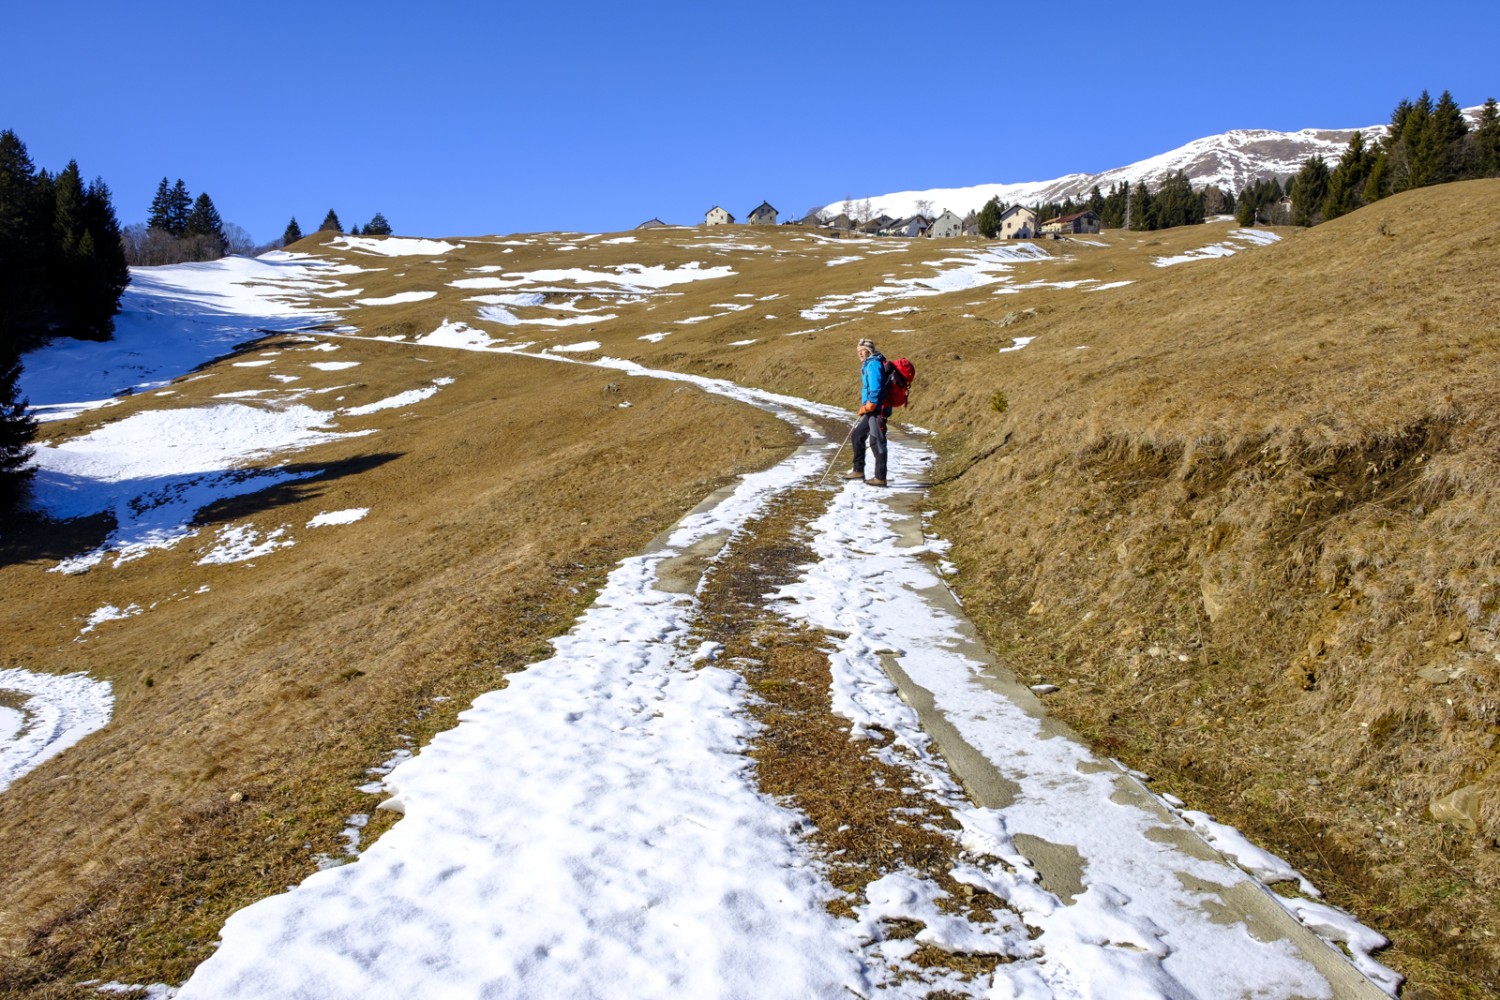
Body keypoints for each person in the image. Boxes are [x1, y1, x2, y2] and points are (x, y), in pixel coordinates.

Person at [845, 337, 890, 486]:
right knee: (858, 435)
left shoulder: (873, 365)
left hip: (877, 409)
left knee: (876, 441)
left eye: (862, 350)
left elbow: (876, 388)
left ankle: (880, 478)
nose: (860, 353)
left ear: (869, 350)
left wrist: (869, 405)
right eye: (858, 351)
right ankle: (858, 470)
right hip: (871, 409)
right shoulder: (869, 364)